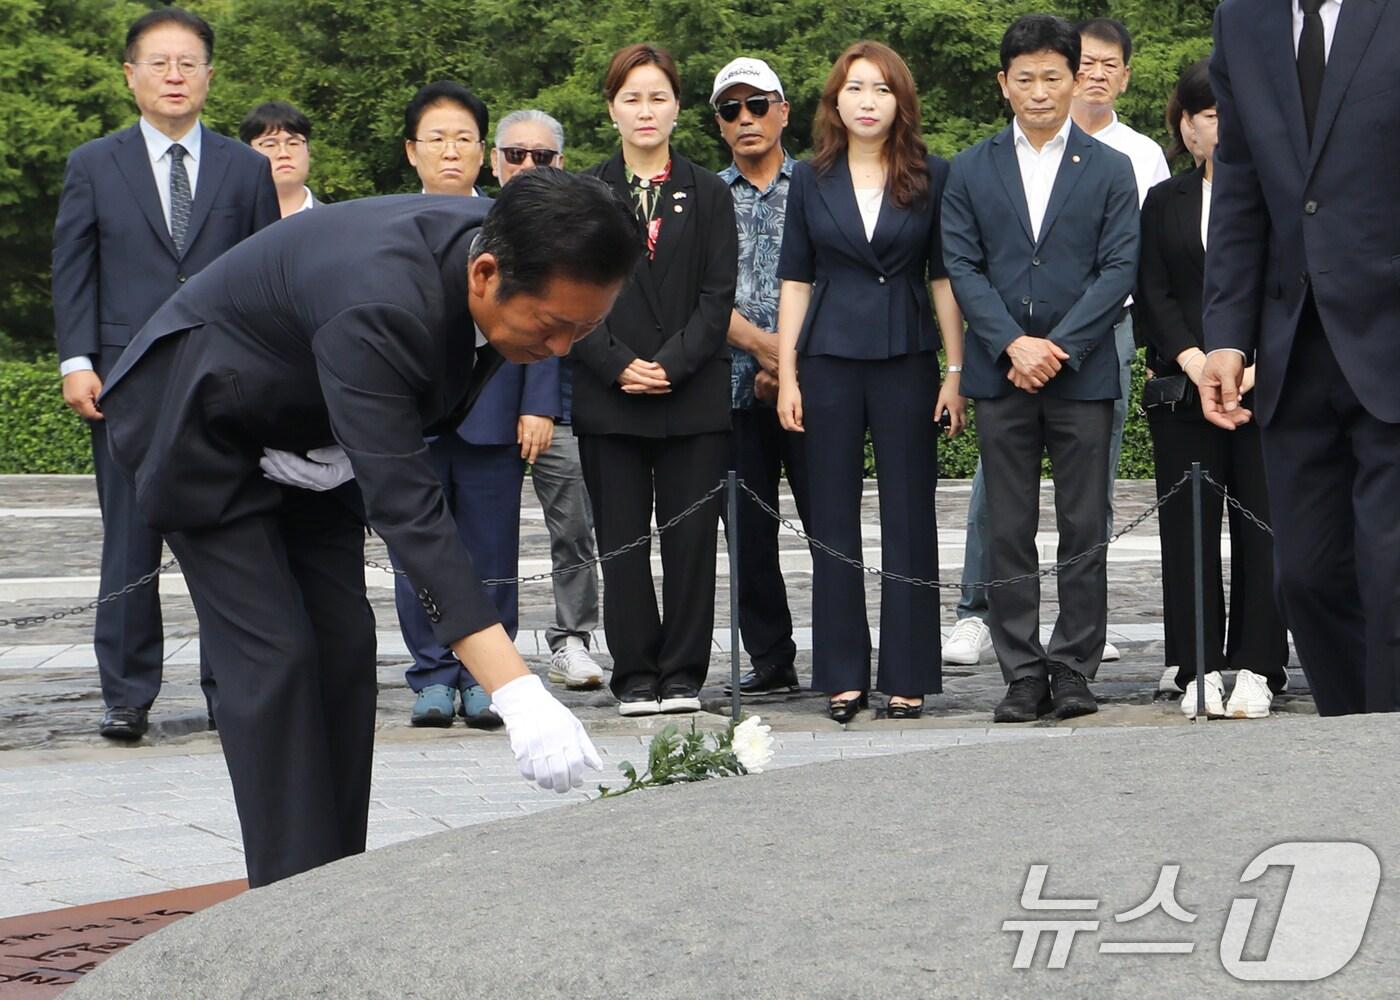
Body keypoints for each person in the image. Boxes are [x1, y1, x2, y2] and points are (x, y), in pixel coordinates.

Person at [97, 170, 638, 886]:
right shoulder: (385, 301)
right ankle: (289, 901)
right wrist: (516, 692)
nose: (565, 347)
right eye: (552, 326)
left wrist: (333, 445)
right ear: (486, 273)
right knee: (276, 659)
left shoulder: (512, 238)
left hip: (313, 435)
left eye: (587, 328)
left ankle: (334, 882)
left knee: (345, 648)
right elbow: (411, 514)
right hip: (200, 422)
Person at [51, 6, 279, 741]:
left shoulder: (246, 169)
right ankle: (126, 693)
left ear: (209, 76)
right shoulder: (94, 163)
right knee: (129, 537)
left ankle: (230, 686)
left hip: (223, 381)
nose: (175, 75)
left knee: (228, 533)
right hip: (123, 382)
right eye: (159, 62)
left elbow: (267, 274)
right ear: (131, 76)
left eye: (189, 63)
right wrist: (77, 361)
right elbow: (74, 270)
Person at [943, 17, 1167, 670]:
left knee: (1083, 523)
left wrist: (1057, 346)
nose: (1039, 91)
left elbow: (1119, 268)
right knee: (1009, 528)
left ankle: (1073, 666)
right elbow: (963, 267)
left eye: (1052, 76)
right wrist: (1014, 343)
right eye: (1025, 78)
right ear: (1003, 84)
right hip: (1001, 371)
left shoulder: (1112, 167)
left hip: (1086, 368)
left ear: (1074, 80)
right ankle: (1018, 668)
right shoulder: (971, 168)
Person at [1200, 0, 1400, 716]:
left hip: (1391, 340)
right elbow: (1240, 185)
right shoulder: (1243, 21)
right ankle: (1355, 744)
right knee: (1307, 580)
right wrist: (1225, 332)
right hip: (1294, 347)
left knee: (1391, 576)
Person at [776, 40, 966, 722]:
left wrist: (955, 371)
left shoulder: (931, 173)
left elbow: (943, 278)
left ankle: (909, 673)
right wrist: (789, 371)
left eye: (880, 89)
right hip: (826, 356)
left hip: (907, 354)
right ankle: (842, 675)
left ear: (899, 102)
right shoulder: (808, 175)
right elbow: (795, 279)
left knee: (909, 515)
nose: (866, 101)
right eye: (854, 88)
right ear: (836, 100)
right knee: (831, 516)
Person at [573, 44, 738, 716]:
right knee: (622, 543)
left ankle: (683, 675)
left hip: (691, 395)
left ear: (677, 106)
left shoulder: (709, 192)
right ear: (612, 108)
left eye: (658, 96)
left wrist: (671, 364)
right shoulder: (584, 192)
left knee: (691, 543)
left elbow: (716, 296)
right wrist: (616, 363)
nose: (646, 110)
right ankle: (635, 673)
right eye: (632, 97)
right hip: (609, 396)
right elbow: (570, 296)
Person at [392, 82, 562, 728]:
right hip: (417, 417)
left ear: (483, 151)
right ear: (413, 151)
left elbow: (548, 314)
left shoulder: (511, 221)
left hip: (496, 412)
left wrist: (540, 402)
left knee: (493, 553)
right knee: (421, 549)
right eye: (436, 139)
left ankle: (489, 676)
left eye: (463, 137)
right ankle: (433, 672)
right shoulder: (391, 225)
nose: (450, 150)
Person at [1137, 59, 1289, 719]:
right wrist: (1201, 365)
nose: (1221, 128)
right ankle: (1195, 664)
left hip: (1263, 388)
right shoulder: (1163, 201)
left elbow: (1288, 294)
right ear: (1185, 125)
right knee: (1187, 531)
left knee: (1265, 530)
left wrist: (1251, 368)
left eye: (1232, 114)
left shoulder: (1279, 199)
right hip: (1184, 388)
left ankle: (1258, 664)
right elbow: (1154, 295)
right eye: (1208, 115)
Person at [491, 109, 606, 692]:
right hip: (481, 408)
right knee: (484, 532)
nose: (529, 165)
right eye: (517, 155)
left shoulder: (574, 224)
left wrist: (538, 403)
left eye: (542, 156)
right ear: (496, 160)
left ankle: (574, 637)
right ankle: (484, 647)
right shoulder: (478, 220)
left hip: (556, 405)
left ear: (561, 162)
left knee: (573, 526)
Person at [710, 57, 811, 698]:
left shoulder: (820, 186)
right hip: (730, 388)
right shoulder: (704, 194)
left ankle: (846, 654)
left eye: (756, 105)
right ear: (719, 123)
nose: (745, 119)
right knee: (747, 533)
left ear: (782, 111)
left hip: (810, 387)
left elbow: (837, 277)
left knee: (830, 524)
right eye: (731, 110)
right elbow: (693, 291)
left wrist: (790, 362)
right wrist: (762, 348)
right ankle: (770, 656)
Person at [240, 101, 317, 217]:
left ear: (308, 151)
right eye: (270, 145)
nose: (283, 153)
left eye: (293, 143)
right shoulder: (232, 225)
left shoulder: (337, 222)